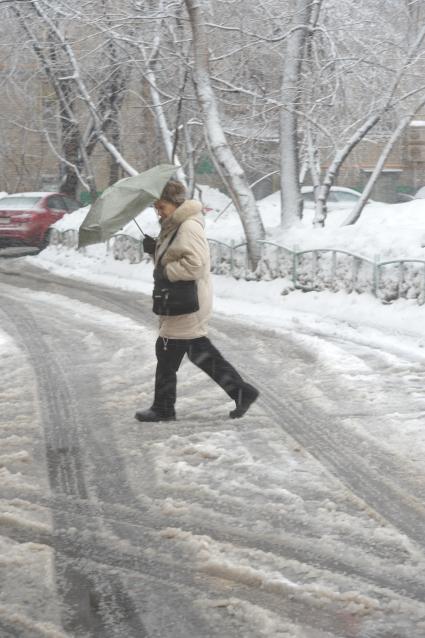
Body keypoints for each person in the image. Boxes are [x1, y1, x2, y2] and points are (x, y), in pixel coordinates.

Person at [135, 180, 259, 422]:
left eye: (161, 206)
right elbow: (173, 261)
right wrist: (155, 252)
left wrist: (164, 269)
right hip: (182, 300)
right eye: (156, 208)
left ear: (175, 203)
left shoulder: (188, 226)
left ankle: (163, 408)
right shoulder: (174, 226)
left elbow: (195, 265)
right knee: (197, 351)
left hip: (187, 302)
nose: (158, 212)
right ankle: (242, 392)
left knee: (167, 350)